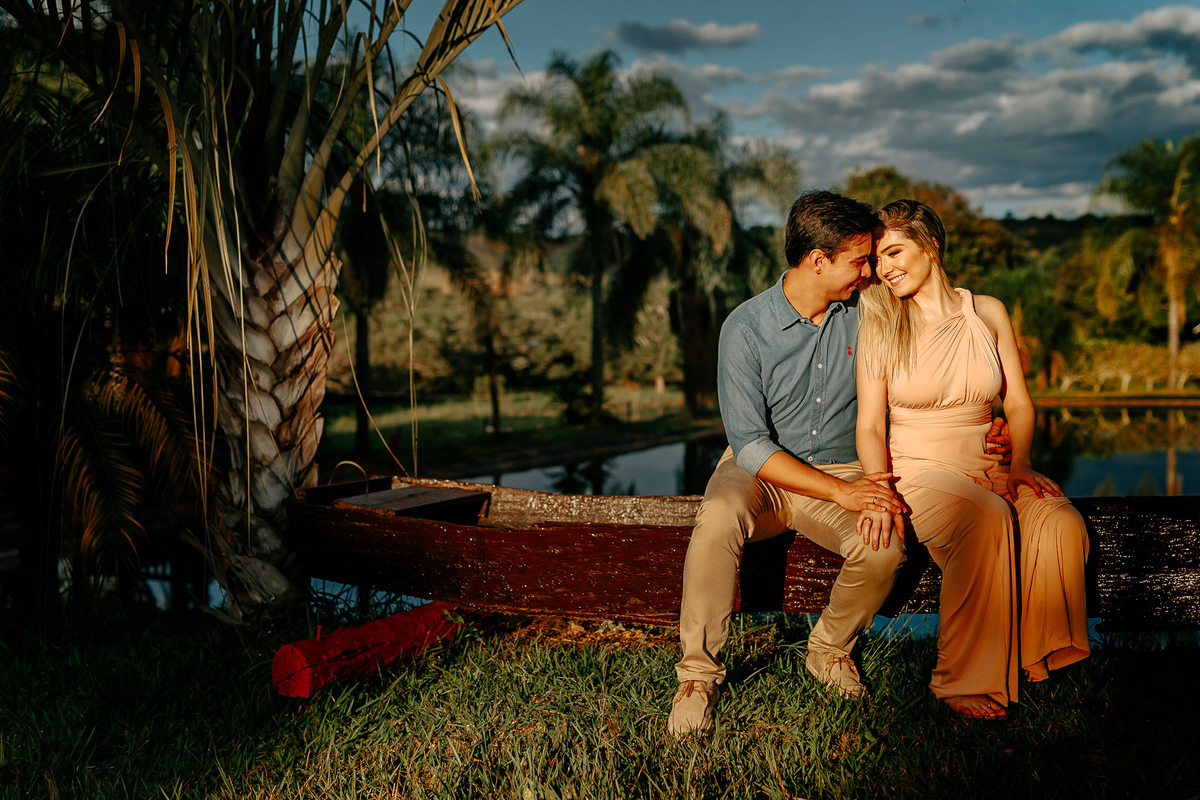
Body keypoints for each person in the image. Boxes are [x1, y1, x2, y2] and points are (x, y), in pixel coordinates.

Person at [667, 190, 1011, 737]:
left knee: (884, 548)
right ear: (818, 260)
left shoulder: (869, 309)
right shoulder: (746, 327)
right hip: (761, 472)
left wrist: (989, 422)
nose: (870, 270)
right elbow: (751, 444)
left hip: (847, 470)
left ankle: (827, 649)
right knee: (716, 518)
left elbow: (942, 361)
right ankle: (698, 677)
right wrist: (846, 495)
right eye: (859, 260)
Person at [855, 199, 1090, 721]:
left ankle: (1034, 656)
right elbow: (870, 425)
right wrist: (878, 487)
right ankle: (958, 680)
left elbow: (1020, 403)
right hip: (918, 473)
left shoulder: (986, 311)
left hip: (991, 466)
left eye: (894, 251)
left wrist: (1023, 462)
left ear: (931, 247)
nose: (884, 267)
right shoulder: (880, 321)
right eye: (878, 258)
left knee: (1058, 520)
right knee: (986, 518)